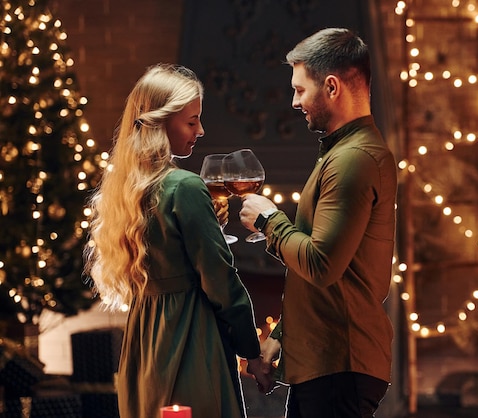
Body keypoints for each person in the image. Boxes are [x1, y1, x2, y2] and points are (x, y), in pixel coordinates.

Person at [84, 63, 271, 418]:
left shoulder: (124, 187)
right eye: (191, 121)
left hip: (143, 343)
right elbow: (221, 281)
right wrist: (252, 353)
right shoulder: (184, 186)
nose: (201, 130)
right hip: (188, 340)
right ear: (160, 122)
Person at [239, 28, 397, 417]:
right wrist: (278, 339)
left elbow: (321, 264)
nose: (295, 101)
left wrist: (268, 220)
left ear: (331, 87)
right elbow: (325, 282)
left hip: (339, 364)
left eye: (300, 89)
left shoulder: (352, 160)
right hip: (327, 364)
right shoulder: (342, 154)